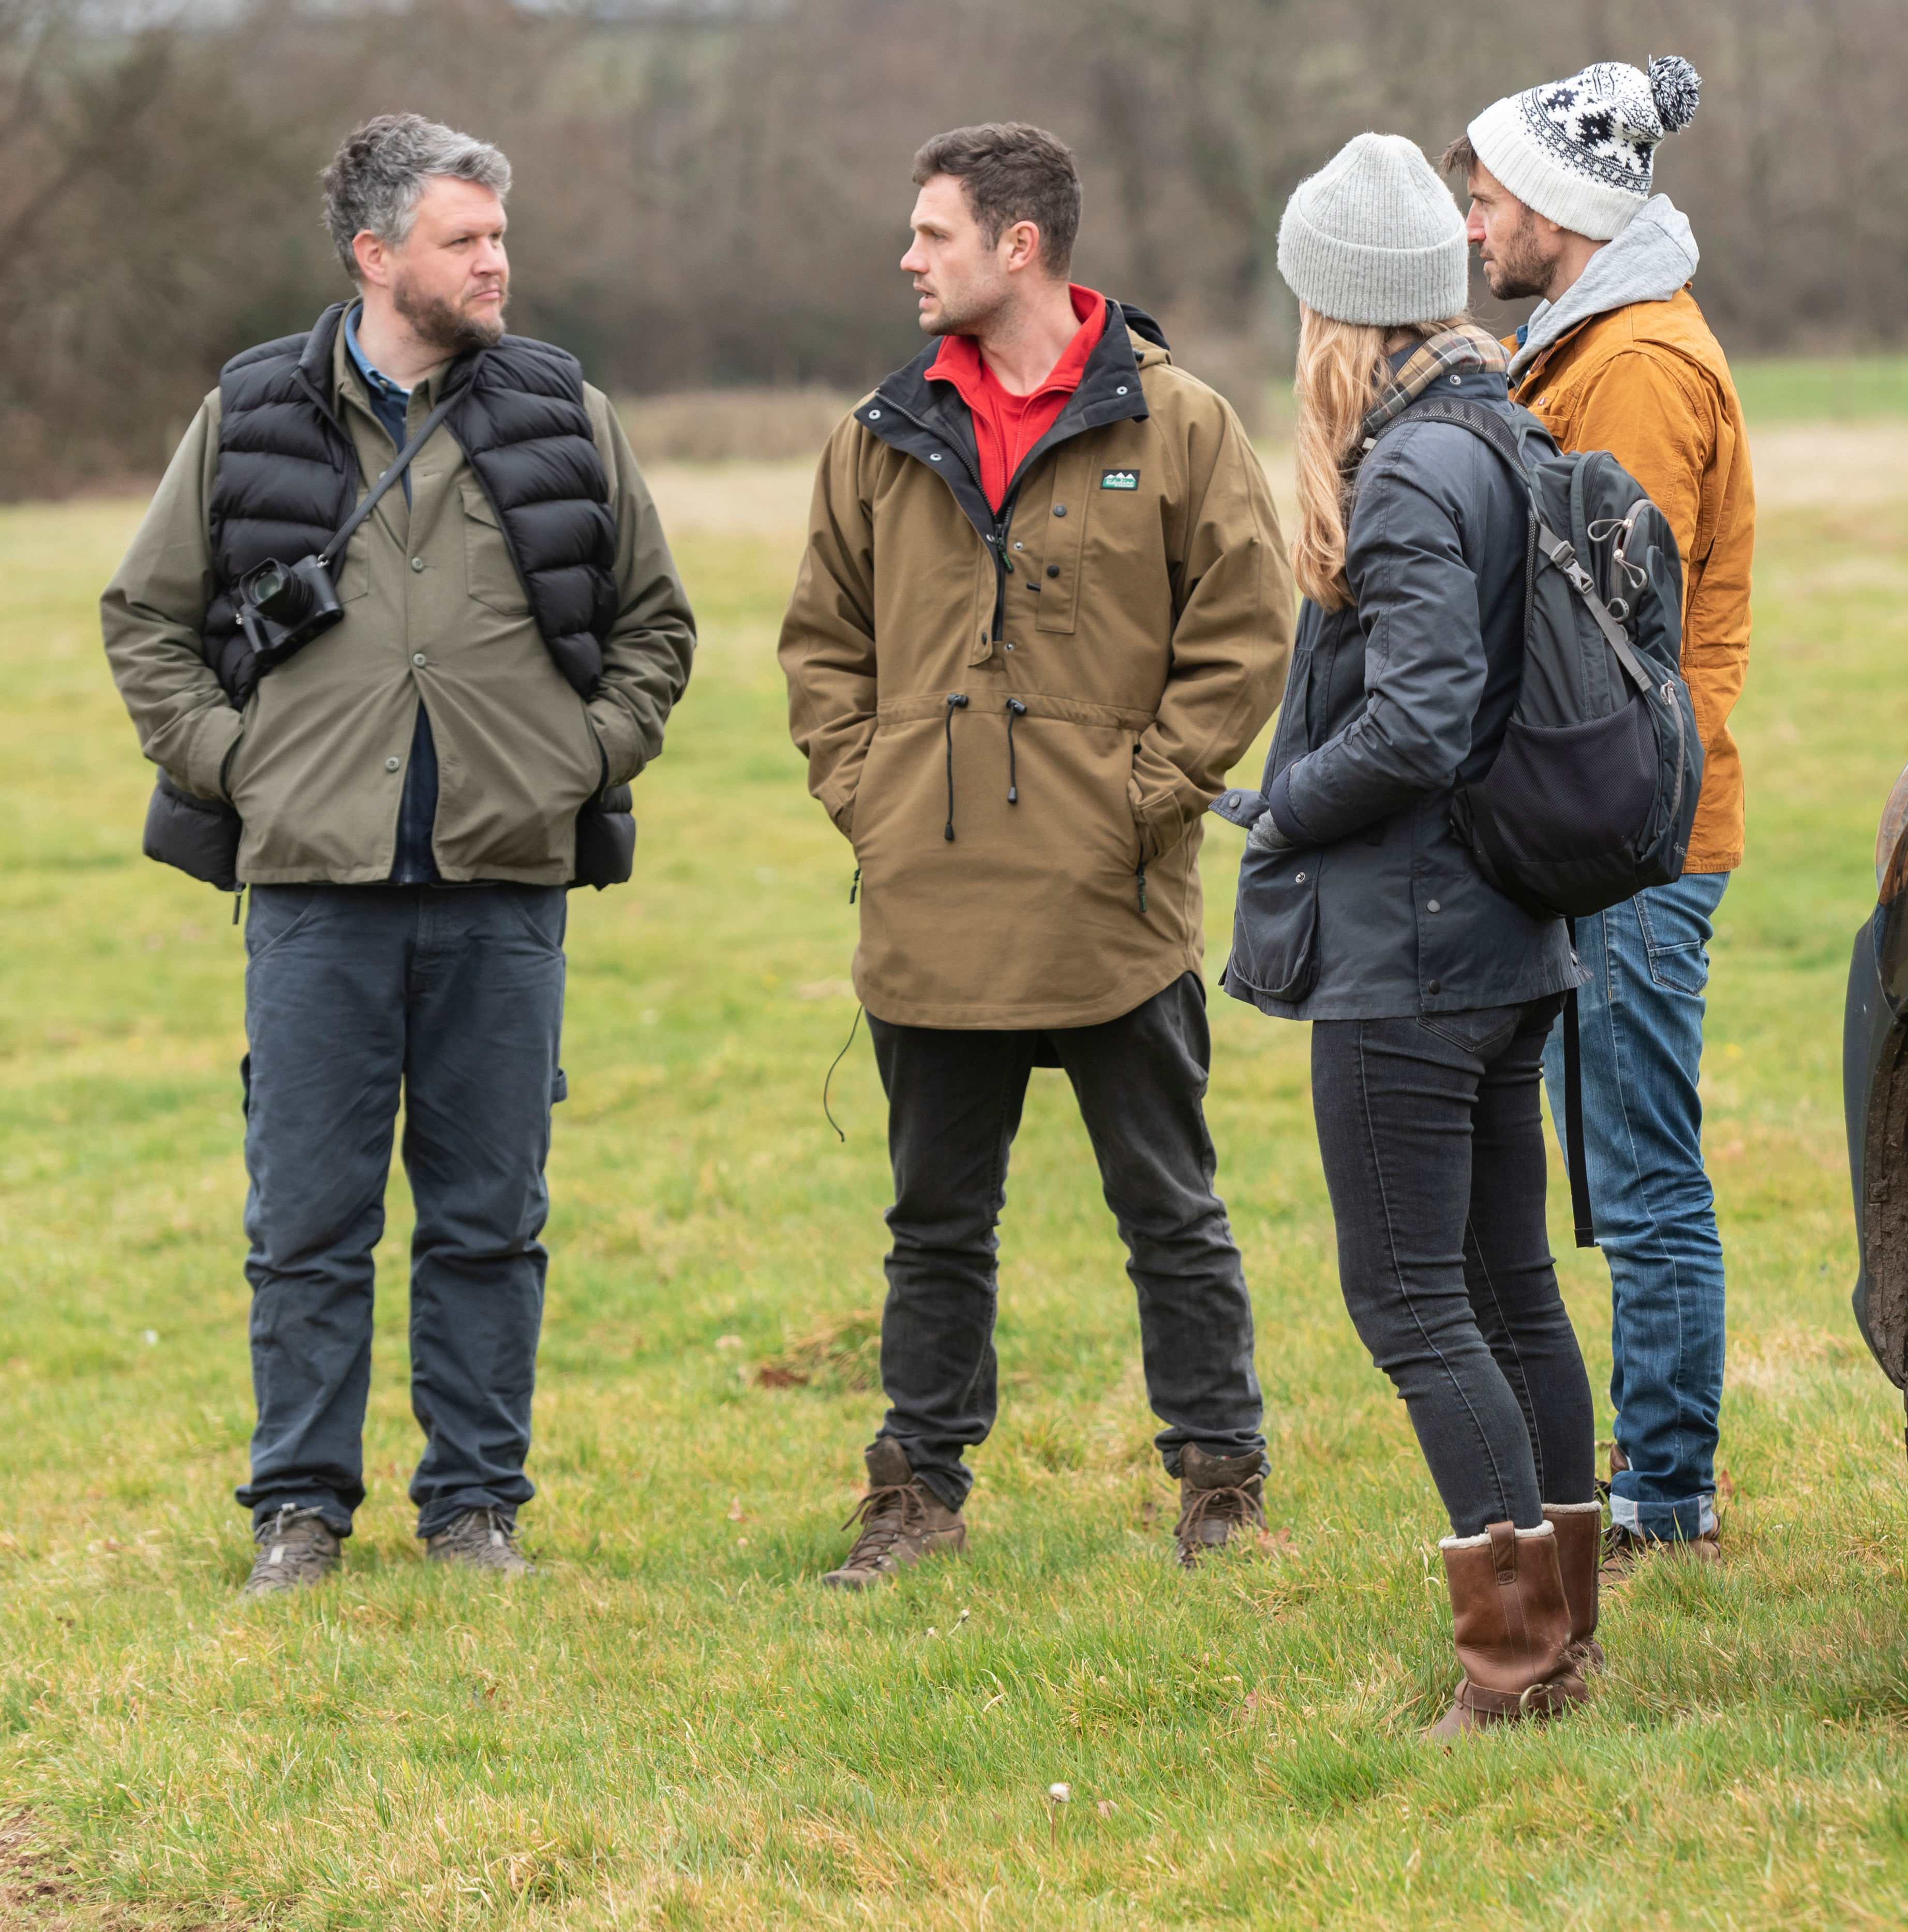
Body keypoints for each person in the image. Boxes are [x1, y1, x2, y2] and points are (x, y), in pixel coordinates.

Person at [100, 113, 699, 1595]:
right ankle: (299, 1514)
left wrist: (578, 764)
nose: (498, 262)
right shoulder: (250, 413)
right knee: (306, 1222)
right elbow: (145, 621)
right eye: (465, 239)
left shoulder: (565, 410)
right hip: (313, 898)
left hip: (505, 889)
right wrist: (246, 769)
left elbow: (656, 628)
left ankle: (474, 1510)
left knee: (492, 1222)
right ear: (377, 257)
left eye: (501, 236)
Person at [779, 124, 1294, 1588]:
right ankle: (916, 1493)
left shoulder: (1182, 426)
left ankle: (1220, 1478)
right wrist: (870, 793)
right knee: (935, 1222)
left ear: (1020, 246)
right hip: (930, 910)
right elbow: (823, 646)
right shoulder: (877, 438)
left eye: (931, 233)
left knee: (1170, 1208)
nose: (907, 257)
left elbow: (1246, 633)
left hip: (1113, 901)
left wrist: (1148, 793)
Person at [1224, 132, 1601, 1740]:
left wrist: (1284, 802)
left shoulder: (1404, 473)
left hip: (1418, 949)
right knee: (1511, 1282)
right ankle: (1568, 1627)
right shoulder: (1498, 428)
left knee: (1412, 1304)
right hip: (1510, 936)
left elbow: (1425, 715)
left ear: (1338, 312)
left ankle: (1516, 1668)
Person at [1445, 57, 1755, 1574]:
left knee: (1640, 1172)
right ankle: (1648, 1470)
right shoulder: (1581, 346)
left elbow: (1604, 622)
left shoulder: (1630, 366)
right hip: (1607, 821)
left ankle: (1667, 1489)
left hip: (1634, 830)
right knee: (1624, 1160)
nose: (1473, 220)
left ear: (1563, 210)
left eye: (1489, 194)